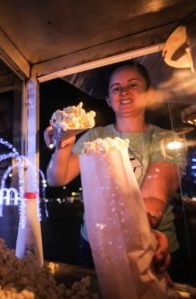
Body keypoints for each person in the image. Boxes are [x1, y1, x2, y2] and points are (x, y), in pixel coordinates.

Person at [44, 61, 185, 275]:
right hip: (95, 243)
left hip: (148, 243)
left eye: (133, 85)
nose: (124, 92)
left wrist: (142, 233)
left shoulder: (164, 139)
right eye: (116, 88)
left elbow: (154, 198)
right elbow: (57, 178)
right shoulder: (95, 136)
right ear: (109, 100)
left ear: (149, 93)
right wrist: (64, 143)